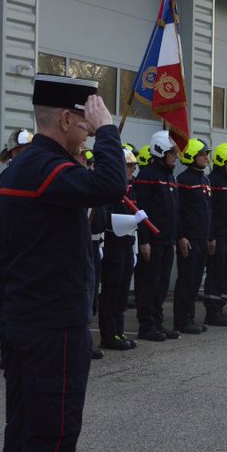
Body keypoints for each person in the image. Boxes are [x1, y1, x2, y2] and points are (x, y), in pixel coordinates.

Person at [0, 74, 126, 452]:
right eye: (86, 126)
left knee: (26, 440)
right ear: (67, 119)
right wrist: (109, 130)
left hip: (29, 322)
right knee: (49, 442)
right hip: (51, 330)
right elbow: (110, 184)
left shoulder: (31, 167)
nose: (89, 133)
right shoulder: (45, 167)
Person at [0, 128, 34, 368]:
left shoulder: (26, 173)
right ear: (14, 151)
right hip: (7, 248)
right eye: (24, 150)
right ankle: (8, 352)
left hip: (26, 247)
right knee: (5, 299)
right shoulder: (0, 176)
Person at [131, 130, 180, 341]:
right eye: (172, 153)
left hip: (167, 241)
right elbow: (140, 211)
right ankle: (147, 326)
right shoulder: (147, 176)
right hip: (152, 242)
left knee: (161, 285)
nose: (176, 157)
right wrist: (144, 241)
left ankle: (157, 322)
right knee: (148, 285)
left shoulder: (170, 177)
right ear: (160, 151)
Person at [97, 146, 141, 352]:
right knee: (111, 291)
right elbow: (105, 217)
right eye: (128, 166)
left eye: (133, 166)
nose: (132, 169)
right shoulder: (110, 189)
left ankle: (119, 330)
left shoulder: (130, 187)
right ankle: (109, 334)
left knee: (122, 292)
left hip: (127, 243)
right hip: (113, 244)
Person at [172, 138, 212, 335]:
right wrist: (181, 236)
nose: (206, 158)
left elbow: (208, 211)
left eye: (206, 155)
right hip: (189, 238)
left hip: (202, 238)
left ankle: (190, 317)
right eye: (202, 155)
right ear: (192, 157)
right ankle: (182, 320)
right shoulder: (184, 180)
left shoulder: (204, 180)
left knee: (196, 280)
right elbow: (178, 211)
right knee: (186, 280)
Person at [203, 143, 227, 326]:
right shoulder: (214, 181)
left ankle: (220, 307)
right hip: (218, 237)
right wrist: (211, 237)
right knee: (216, 274)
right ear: (222, 161)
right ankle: (212, 311)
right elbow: (210, 211)